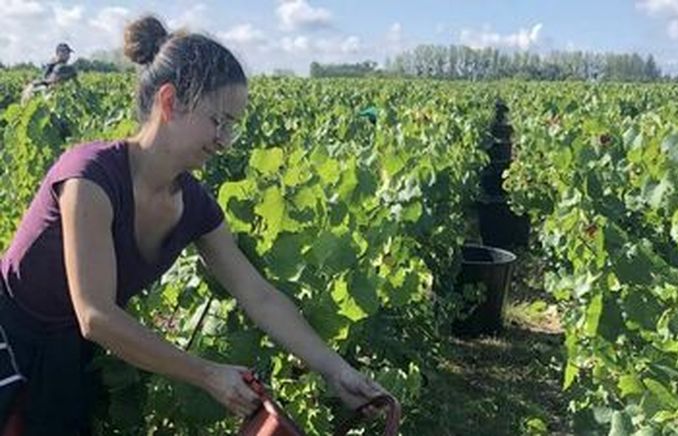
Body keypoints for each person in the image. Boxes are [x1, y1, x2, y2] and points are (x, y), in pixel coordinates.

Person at [0, 15, 391, 435]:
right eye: (218, 121)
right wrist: (207, 374)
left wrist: (335, 370)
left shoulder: (194, 204)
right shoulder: (89, 178)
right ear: (169, 102)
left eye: (233, 127)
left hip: (66, 355)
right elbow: (95, 315)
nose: (224, 140)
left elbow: (258, 295)